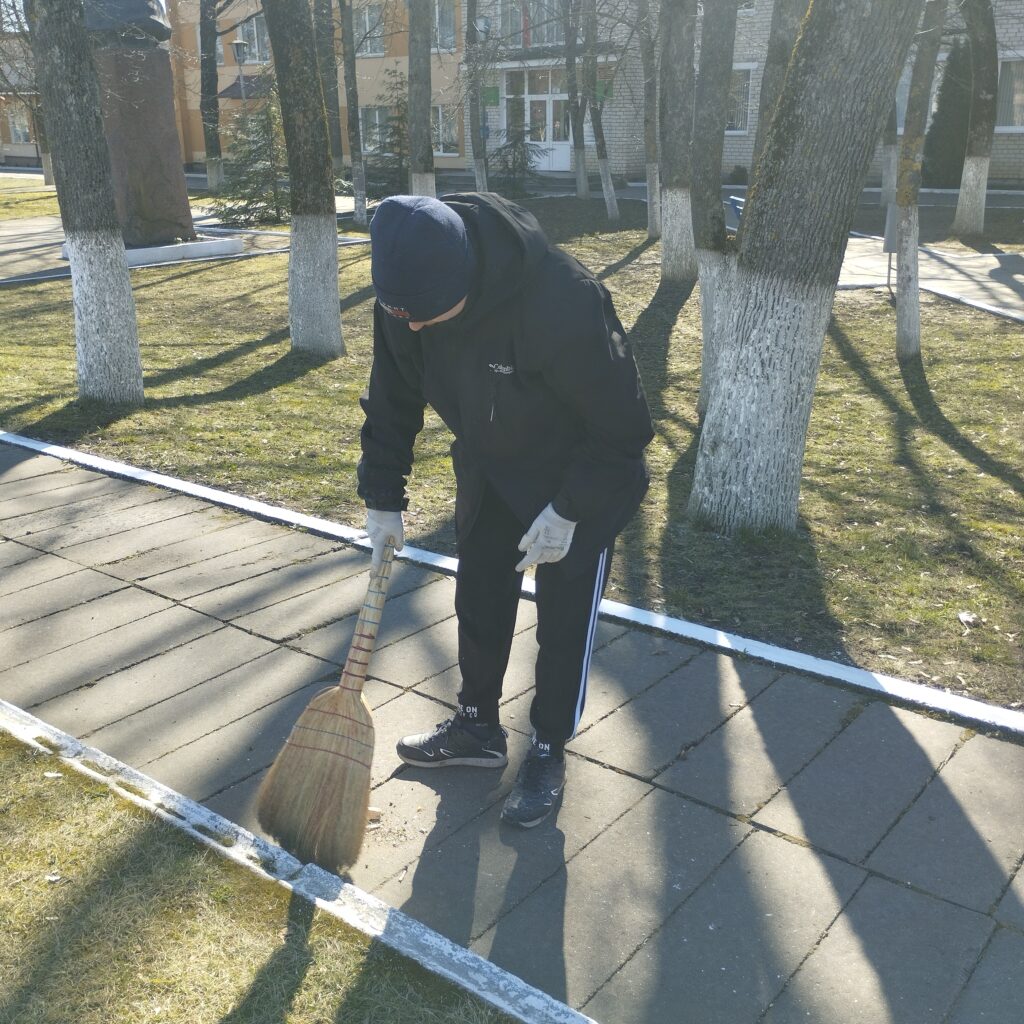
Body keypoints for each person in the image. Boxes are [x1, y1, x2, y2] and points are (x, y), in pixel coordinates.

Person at [359, 192, 653, 828]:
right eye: (404, 316)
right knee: (479, 599)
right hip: (490, 466)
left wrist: (569, 509)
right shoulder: (405, 300)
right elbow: (391, 397)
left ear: (467, 277)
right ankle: (477, 727)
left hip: (581, 475)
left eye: (426, 317)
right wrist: (382, 496)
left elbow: (624, 431)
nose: (415, 330)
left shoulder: (564, 299)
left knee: (564, 623)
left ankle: (547, 747)